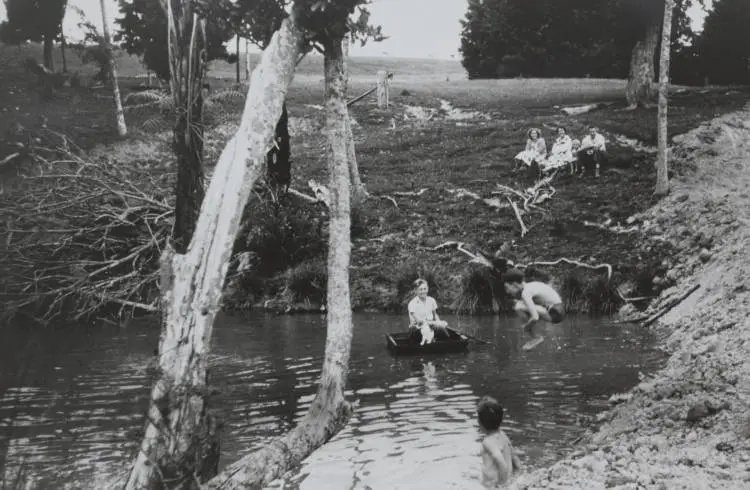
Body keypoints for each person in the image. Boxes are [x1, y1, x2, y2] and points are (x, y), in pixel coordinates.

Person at [503, 268, 565, 350]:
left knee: (518, 307)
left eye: (507, 287)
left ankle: (536, 337)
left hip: (556, 313)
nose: (507, 292)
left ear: (514, 284)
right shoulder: (529, 286)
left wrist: (526, 327)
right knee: (520, 304)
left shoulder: (526, 293)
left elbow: (535, 317)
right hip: (555, 310)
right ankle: (536, 336)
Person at [477, 395, 523, 488]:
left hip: (495, 485)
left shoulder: (487, 442)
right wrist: (517, 475)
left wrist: (501, 485)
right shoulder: (503, 435)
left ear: (480, 423)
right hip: (508, 480)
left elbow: (500, 462)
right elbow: (516, 460)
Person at [408, 279, 449, 343]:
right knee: (430, 329)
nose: (423, 291)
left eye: (425, 289)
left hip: (430, 325)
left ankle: (447, 343)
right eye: (420, 289)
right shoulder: (412, 303)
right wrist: (436, 323)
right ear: (416, 291)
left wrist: (439, 322)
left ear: (428, 289)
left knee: (443, 329)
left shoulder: (431, 300)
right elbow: (420, 322)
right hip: (417, 328)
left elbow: (435, 314)